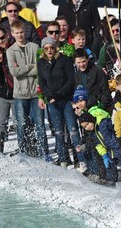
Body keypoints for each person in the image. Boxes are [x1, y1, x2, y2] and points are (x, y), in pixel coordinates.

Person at [37, 36, 86, 170]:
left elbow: (71, 80)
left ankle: (80, 159)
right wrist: (48, 95)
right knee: (58, 132)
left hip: (65, 100)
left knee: (73, 130)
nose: (49, 50)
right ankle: (63, 159)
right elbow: (42, 82)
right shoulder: (41, 63)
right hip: (52, 102)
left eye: (51, 47)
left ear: (55, 48)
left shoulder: (64, 60)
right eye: (46, 48)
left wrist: (58, 95)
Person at [7, 20, 49, 158]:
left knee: (40, 125)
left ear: (25, 32)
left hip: (35, 93)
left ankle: (44, 152)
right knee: (21, 125)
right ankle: (23, 152)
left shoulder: (35, 47)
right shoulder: (10, 51)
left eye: (21, 32)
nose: (20, 35)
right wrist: (30, 66)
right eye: (17, 33)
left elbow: (40, 69)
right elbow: (14, 72)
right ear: (13, 34)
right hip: (20, 94)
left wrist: (23, 69)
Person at [77, 109, 121, 186]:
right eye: (84, 127)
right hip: (109, 149)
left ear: (91, 120)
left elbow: (114, 131)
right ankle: (112, 180)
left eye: (87, 124)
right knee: (110, 165)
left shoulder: (103, 124)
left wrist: (119, 143)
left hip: (117, 146)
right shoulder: (93, 132)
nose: (87, 128)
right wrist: (104, 155)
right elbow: (98, 144)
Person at [0, 44, 15, 153]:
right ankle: (0, 147)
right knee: (1, 122)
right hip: (3, 97)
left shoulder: (8, 63)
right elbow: (0, 81)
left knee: (18, 121)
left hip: (15, 96)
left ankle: (24, 145)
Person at [74, 48, 112, 112]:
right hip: (85, 109)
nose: (81, 65)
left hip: (98, 107)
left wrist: (101, 106)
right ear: (75, 62)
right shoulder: (77, 75)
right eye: (78, 62)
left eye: (83, 61)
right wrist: (78, 107)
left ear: (88, 59)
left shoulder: (97, 71)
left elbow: (105, 91)